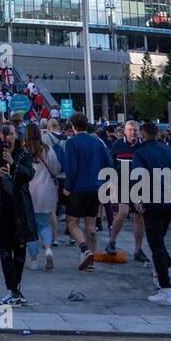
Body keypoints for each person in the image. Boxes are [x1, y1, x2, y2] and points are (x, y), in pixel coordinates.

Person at [132, 122, 171, 305]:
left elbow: (139, 177)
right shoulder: (168, 151)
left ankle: (165, 290)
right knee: (159, 241)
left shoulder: (141, 153)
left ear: (143, 134)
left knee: (155, 244)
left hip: (153, 200)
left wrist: (138, 199)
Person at [0, 123, 37, 306]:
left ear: (16, 135)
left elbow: (28, 174)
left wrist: (14, 164)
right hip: (1, 206)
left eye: (11, 134)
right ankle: (13, 289)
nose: (8, 138)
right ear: (0, 136)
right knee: (5, 250)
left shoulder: (24, 154)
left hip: (19, 206)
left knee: (20, 249)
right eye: (5, 135)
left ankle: (15, 290)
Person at [63, 113, 111, 270]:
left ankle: (84, 249)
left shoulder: (72, 143)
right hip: (95, 187)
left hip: (78, 188)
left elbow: (71, 168)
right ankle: (91, 261)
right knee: (91, 225)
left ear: (73, 127)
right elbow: (108, 163)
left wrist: (68, 187)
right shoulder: (97, 142)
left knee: (72, 223)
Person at [23, 121, 61, 271]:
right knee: (44, 224)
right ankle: (48, 249)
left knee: (30, 228)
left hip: (28, 192)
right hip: (46, 192)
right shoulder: (48, 150)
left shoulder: (23, 151)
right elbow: (56, 169)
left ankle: (33, 259)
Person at [106, 121, 146, 261]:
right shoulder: (118, 145)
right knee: (123, 212)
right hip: (121, 183)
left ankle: (138, 250)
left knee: (139, 216)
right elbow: (110, 163)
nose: (132, 133)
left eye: (135, 130)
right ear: (125, 131)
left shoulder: (143, 145)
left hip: (140, 185)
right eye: (130, 130)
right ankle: (111, 241)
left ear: (139, 131)